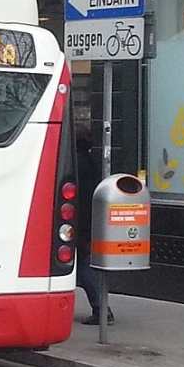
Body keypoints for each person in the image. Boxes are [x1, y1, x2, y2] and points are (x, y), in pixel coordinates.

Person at [75, 136, 114, 325]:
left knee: (84, 269)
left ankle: (101, 309)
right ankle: (101, 308)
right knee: (85, 265)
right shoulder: (92, 163)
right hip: (91, 222)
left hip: (80, 224)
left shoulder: (76, 164)